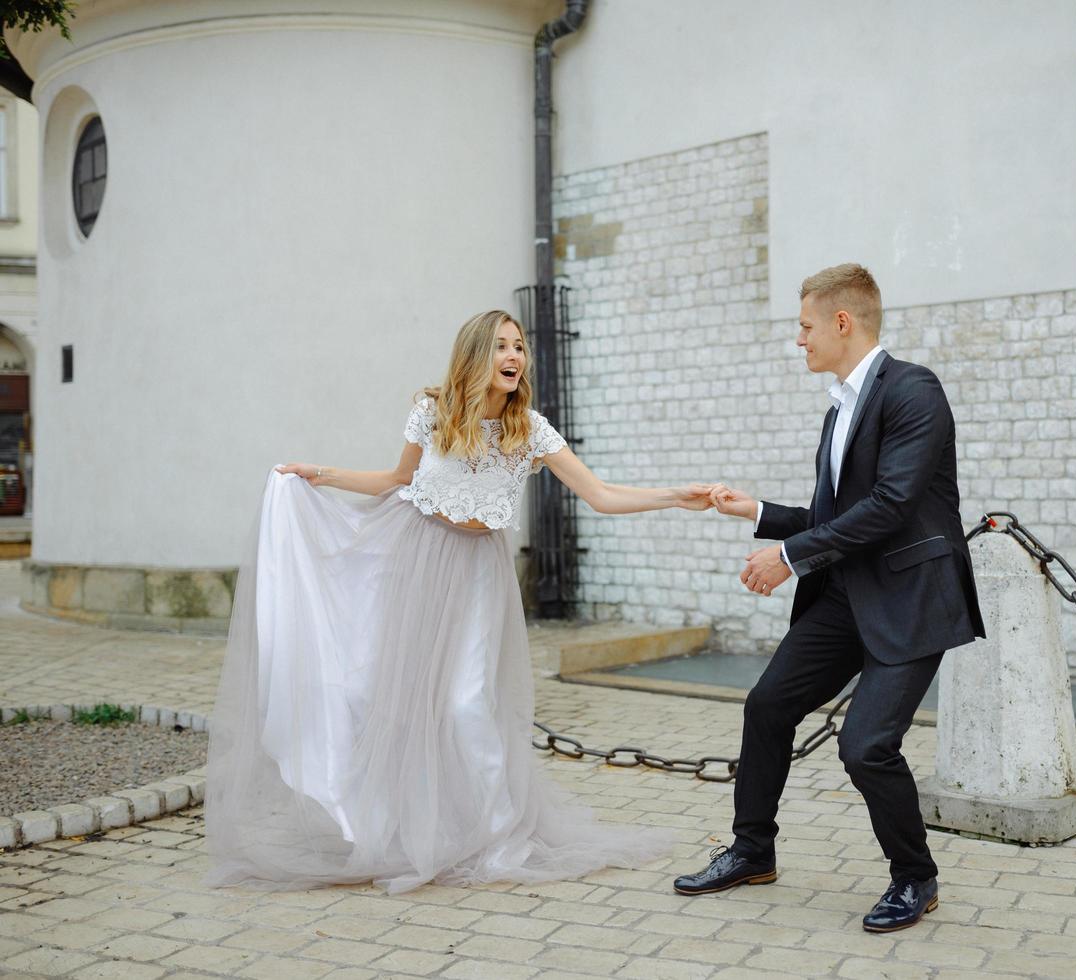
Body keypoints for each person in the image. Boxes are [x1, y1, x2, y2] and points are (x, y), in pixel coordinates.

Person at [206, 309, 715, 894]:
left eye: (520, 346)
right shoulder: (434, 412)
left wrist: (678, 497)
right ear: (477, 353)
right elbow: (395, 479)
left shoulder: (531, 429)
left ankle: (500, 839)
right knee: (391, 695)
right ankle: (398, 826)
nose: (514, 355)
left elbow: (599, 494)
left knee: (468, 703)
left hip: (477, 571)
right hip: (417, 557)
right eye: (502, 345)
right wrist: (319, 473)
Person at [674, 264, 984, 933]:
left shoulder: (913, 390)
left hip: (909, 598)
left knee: (866, 746)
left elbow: (893, 505)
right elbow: (831, 513)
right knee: (767, 706)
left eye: (805, 325)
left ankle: (915, 876)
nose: (799, 339)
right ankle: (752, 851)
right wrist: (756, 510)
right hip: (846, 594)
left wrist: (787, 558)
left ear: (843, 322)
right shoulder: (838, 409)